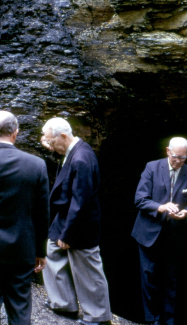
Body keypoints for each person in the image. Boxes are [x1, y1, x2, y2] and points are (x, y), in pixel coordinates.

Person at [0, 110, 49, 325]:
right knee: (20, 309)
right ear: (16, 133)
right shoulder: (36, 165)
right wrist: (41, 251)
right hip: (20, 250)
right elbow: (43, 212)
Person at [41, 117, 111, 325]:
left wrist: (68, 234)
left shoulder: (82, 158)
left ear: (63, 136)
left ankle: (98, 316)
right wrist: (51, 146)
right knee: (53, 250)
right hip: (66, 216)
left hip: (81, 221)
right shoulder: (73, 150)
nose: (51, 146)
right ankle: (64, 303)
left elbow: (81, 200)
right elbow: (64, 167)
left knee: (87, 267)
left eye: (52, 142)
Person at [131, 137, 187, 325]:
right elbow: (140, 199)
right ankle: (151, 319)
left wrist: (185, 213)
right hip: (148, 232)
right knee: (148, 276)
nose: (178, 162)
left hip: (175, 234)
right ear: (168, 151)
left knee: (172, 279)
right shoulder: (152, 167)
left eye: (183, 158)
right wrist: (161, 207)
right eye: (176, 157)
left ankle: (169, 321)